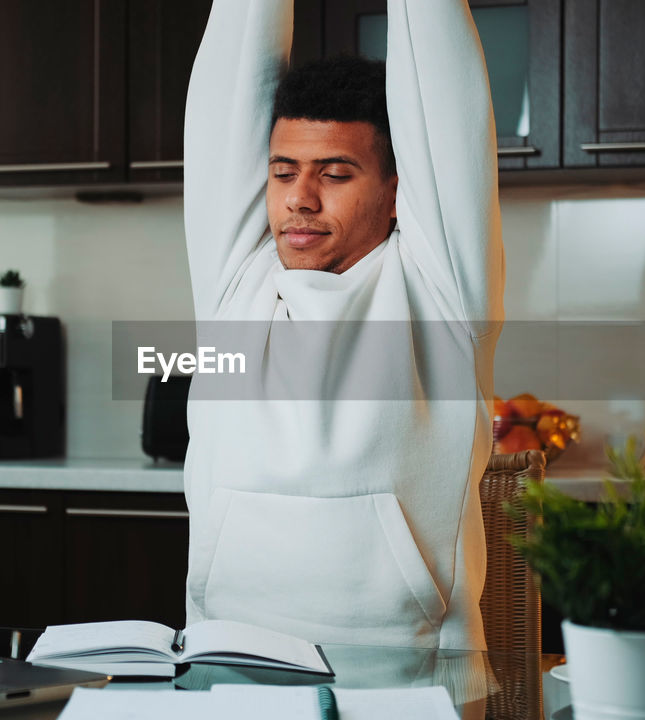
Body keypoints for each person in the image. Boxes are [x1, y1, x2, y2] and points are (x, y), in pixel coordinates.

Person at [182, 0, 503, 651]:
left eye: (335, 173)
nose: (301, 197)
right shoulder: (234, 286)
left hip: (409, 681)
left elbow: (443, 87)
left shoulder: (438, 294)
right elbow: (231, 74)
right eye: (283, 172)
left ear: (395, 191)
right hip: (227, 665)